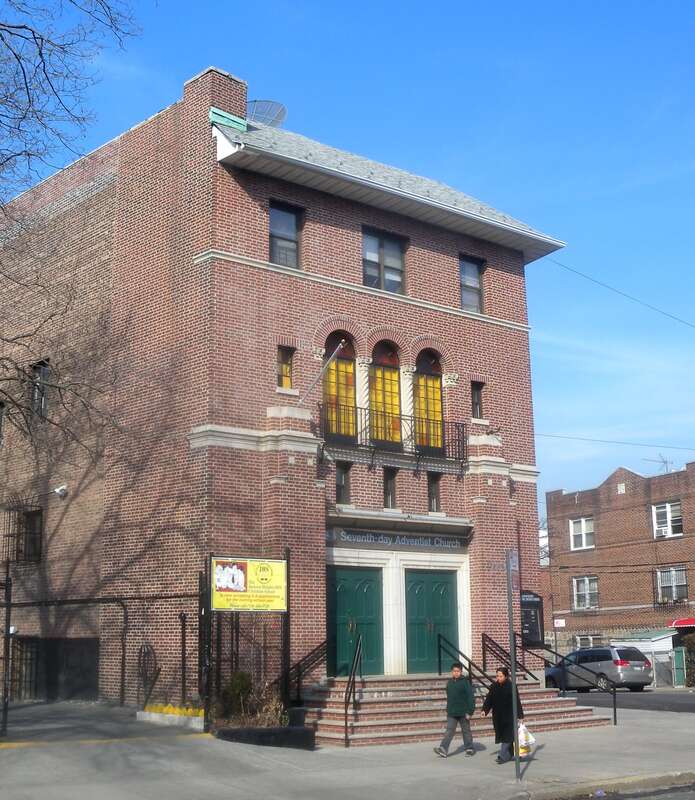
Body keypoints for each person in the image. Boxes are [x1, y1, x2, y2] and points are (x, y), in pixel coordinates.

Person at [481, 666, 524, 764]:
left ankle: (502, 755)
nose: (498, 678)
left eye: (500, 676)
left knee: (507, 736)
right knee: (506, 736)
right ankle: (515, 754)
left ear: (506, 676)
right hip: (498, 716)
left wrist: (520, 716)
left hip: (509, 716)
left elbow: (517, 701)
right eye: (497, 676)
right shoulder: (494, 686)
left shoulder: (511, 686)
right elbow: (489, 700)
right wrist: (484, 710)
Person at [433, 661, 476, 758]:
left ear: (461, 672)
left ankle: (469, 748)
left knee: (466, 730)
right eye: (454, 671)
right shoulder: (450, 683)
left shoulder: (465, 682)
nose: (456, 673)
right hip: (452, 712)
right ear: (451, 672)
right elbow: (449, 696)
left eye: (458, 671)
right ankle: (443, 749)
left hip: (464, 712)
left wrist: (470, 711)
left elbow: (470, 697)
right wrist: (448, 709)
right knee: (449, 730)